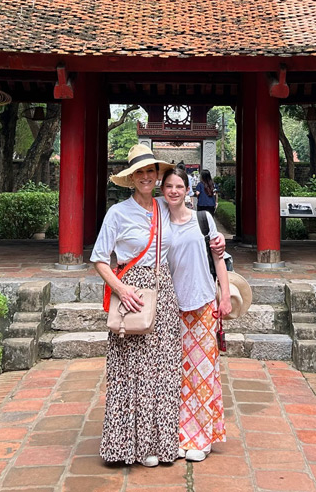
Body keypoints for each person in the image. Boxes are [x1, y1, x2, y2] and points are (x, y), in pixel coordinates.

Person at [91, 145, 181, 467]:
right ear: (131, 178)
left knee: (163, 369)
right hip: (132, 295)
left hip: (164, 292)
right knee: (132, 370)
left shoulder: (165, 207)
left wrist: (217, 246)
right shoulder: (118, 213)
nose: (145, 177)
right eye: (139, 172)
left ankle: (159, 442)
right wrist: (121, 288)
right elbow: (99, 259)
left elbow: (189, 232)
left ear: (157, 175)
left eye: (150, 171)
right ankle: (128, 445)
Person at [158, 167, 232, 462]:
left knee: (202, 374)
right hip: (170, 306)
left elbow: (219, 258)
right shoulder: (158, 220)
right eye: (169, 186)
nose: (174, 191)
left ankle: (201, 438)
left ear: (188, 189)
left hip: (202, 304)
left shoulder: (203, 220)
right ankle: (179, 435)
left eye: (179, 186)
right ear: (162, 190)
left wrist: (225, 296)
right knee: (175, 374)